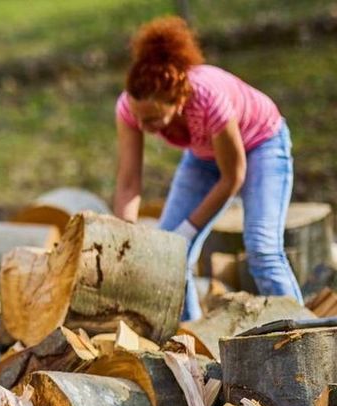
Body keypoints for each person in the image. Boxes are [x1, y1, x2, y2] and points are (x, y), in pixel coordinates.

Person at [112, 16, 301, 320]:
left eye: (153, 120)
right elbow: (128, 182)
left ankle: (310, 337)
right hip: (203, 155)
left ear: (178, 101)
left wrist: (187, 230)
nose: (143, 126)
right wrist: (125, 234)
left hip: (262, 145)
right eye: (139, 118)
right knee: (170, 256)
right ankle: (192, 341)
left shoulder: (208, 100)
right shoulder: (130, 108)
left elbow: (233, 176)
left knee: (262, 249)